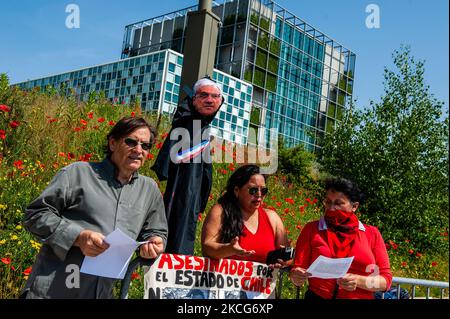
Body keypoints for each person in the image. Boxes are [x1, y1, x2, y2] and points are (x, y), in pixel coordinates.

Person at [22, 116, 168, 299]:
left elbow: (156, 231)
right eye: (131, 142)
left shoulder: (150, 189)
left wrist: (154, 242)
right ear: (113, 143)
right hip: (54, 290)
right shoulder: (77, 173)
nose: (138, 150)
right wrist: (78, 237)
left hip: (103, 293)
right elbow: (35, 215)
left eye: (145, 146)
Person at [152, 77, 224, 255]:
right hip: (181, 195)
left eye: (215, 96)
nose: (210, 100)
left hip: (192, 198)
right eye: (204, 95)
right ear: (193, 99)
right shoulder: (187, 124)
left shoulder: (202, 127)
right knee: (176, 238)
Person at [290, 177, 392, 299]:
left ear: (354, 206)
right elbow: (297, 271)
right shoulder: (312, 229)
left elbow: (385, 280)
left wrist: (358, 281)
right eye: (328, 202)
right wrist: (296, 276)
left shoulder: (372, 233)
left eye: (338, 203)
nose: (332, 208)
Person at [201, 165, 289, 265]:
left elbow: (288, 257)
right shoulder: (221, 211)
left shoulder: (272, 218)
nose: (259, 194)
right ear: (237, 191)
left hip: (261, 280)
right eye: (253, 190)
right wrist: (228, 249)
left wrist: (283, 262)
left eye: (263, 191)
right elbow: (207, 247)